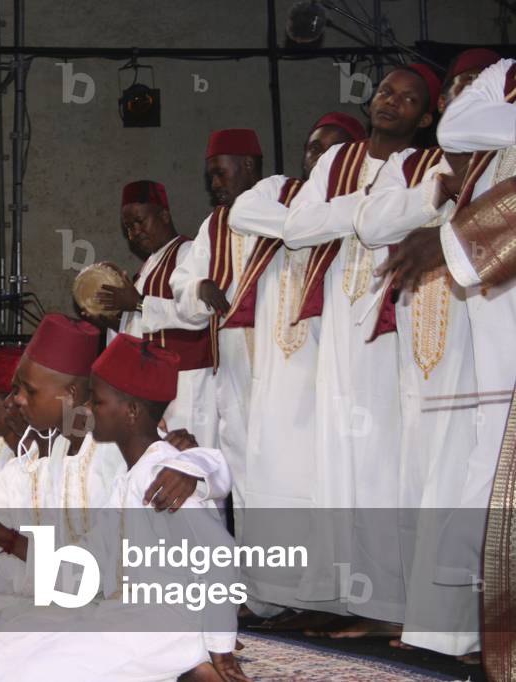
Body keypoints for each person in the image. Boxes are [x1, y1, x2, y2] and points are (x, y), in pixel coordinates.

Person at [0, 334, 242, 682]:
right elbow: (83, 567)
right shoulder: (127, 482)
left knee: (24, 672)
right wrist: (6, 539)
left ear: (130, 412)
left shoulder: (165, 478)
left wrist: (221, 647)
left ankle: (192, 665)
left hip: (163, 628)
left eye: (96, 402)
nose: (88, 410)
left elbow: (220, 554)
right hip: (120, 615)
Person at [280, 64, 437, 637]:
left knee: (379, 462)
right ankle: (337, 592)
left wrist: (353, 214)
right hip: (337, 324)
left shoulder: (428, 165)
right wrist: (367, 207)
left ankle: (385, 604)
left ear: (426, 116)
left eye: (408, 98)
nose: (391, 101)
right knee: (334, 460)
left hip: (393, 323)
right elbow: (296, 229)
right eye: (386, 91)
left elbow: (417, 218)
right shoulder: (338, 160)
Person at [354, 48, 500, 659]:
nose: (468, 95)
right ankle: (430, 625)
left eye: (481, 87)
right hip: (418, 353)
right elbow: (370, 224)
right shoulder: (418, 166)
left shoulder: (499, 161)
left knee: (465, 483)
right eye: (460, 85)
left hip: (476, 351)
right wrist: (436, 193)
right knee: (420, 484)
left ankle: (456, 631)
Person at [226, 112, 365, 622]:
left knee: (318, 483)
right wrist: (312, 221)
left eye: (333, 149)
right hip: (273, 371)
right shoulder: (279, 191)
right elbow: (242, 212)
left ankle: (318, 599)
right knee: (268, 479)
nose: (319, 157)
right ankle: (268, 593)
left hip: (324, 372)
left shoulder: (362, 200)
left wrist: (322, 218)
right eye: (313, 148)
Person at [169, 128, 265, 528]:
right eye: (210, 176)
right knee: (240, 471)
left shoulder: (287, 208)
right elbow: (180, 283)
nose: (214, 185)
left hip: (286, 367)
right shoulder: (215, 226)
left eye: (219, 173)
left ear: (248, 165)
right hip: (233, 372)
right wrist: (200, 288)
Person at [93, 180, 218, 448]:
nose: (134, 232)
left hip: (187, 384)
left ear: (164, 215)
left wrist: (138, 304)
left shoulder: (188, 253)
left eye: (139, 221)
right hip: (154, 386)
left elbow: (199, 312)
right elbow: (141, 325)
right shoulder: (148, 266)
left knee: (188, 459)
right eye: (128, 227)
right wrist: (111, 321)